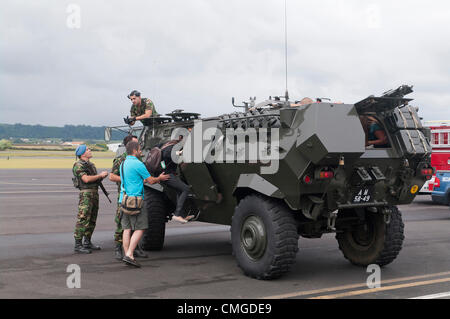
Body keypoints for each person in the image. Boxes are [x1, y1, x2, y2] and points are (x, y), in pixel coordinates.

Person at [119, 140, 170, 267]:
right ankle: (130, 254)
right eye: (140, 149)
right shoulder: (138, 164)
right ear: (135, 150)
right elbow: (151, 181)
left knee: (127, 228)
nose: (141, 151)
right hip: (136, 200)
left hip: (124, 199)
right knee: (141, 228)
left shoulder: (123, 163)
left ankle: (126, 254)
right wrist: (160, 178)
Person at [109, 135, 148, 260]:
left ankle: (134, 249)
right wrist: (129, 179)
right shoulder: (121, 160)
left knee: (134, 224)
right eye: (135, 143)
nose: (138, 145)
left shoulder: (138, 160)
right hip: (125, 196)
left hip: (135, 196)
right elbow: (111, 176)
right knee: (122, 224)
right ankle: (118, 249)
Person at [72, 145, 108, 254]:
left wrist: (100, 177)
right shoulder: (78, 165)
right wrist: (100, 175)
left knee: (92, 218)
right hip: (86, 194)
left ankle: (87, 242)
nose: (90, 150)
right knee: (83, 219)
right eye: (87, 150)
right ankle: (78, 244)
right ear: (82, 154)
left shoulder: (91, 165)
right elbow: (86, 179)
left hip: (94, 193)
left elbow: (93, 179)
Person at [158, 136, 195, 224]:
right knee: (185, 188)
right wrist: (180, 152)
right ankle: (177, 214)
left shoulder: (166, 145)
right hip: (167, 175)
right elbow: (169, 154)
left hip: (167, 174)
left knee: (179, 191)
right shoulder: (171, 147)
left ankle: (182, 215)